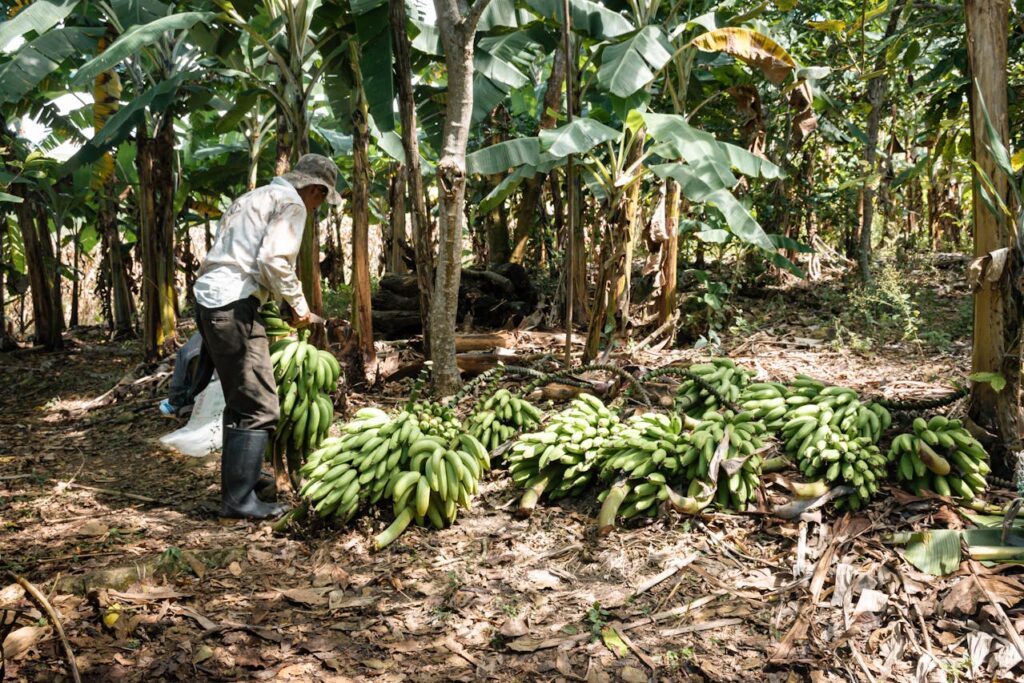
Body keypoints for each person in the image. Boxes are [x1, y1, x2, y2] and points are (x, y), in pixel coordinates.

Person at [193, 153, 341, 519]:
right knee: (260, 404)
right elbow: (273, 260)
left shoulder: (253, 197)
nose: (319, 207)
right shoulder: (292, 203)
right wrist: (300, 306)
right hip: (232, 304)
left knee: (240, 402)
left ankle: (242, 481)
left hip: (210, 298)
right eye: (322, 200)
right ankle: (240, 500)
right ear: (317, 190)